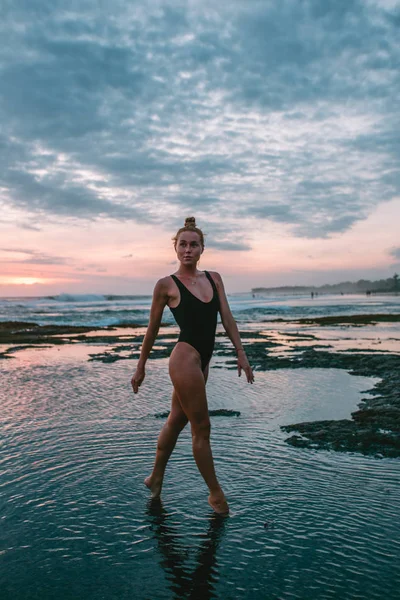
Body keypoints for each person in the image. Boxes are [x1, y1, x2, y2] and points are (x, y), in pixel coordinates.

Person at [131, 217, 254, 515]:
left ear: (202, 249)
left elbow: (226, 317)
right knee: (202, 427)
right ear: (176, 248)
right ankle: (215, 495)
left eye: (193, 244)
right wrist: (141, 366)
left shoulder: (214, 278)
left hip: (205, 358)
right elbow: (152, 330)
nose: (188, 249)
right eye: (183, 244)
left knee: (177, 419)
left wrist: (241, 351)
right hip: (185, 358)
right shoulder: (165, 285)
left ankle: (155, 478)